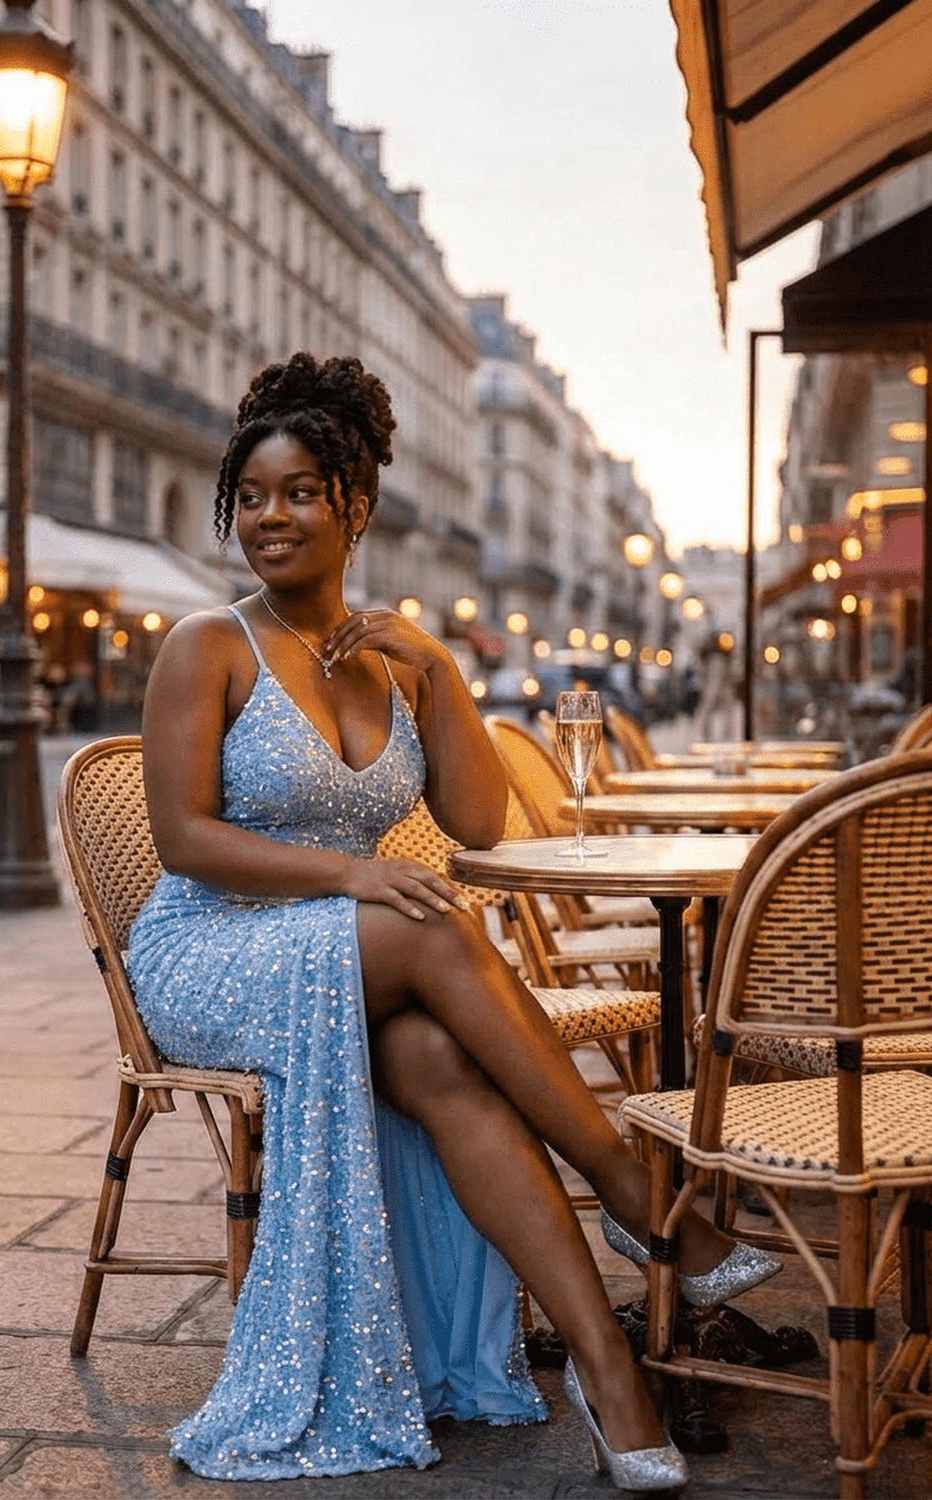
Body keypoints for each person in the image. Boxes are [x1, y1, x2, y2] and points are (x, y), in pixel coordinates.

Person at [127, 353, 779, 1487]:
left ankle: (605, 1372)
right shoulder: (211, 646)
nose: (271, 518)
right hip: (215, 948)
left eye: (301, 493)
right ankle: (635, 1191)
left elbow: (477, 819)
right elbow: (183, 839)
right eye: (256, 496)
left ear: (356, 508)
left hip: (356, 949)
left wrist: (431, 665)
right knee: (429, 918)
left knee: (439, 1056)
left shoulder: (396, 664)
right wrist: (350, 879)